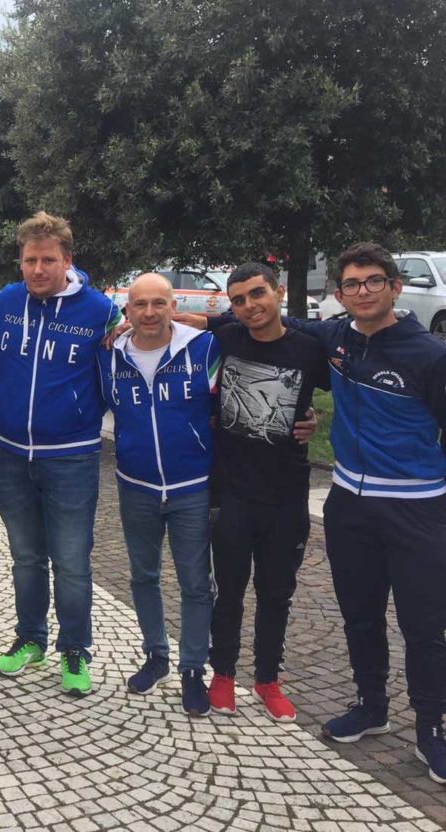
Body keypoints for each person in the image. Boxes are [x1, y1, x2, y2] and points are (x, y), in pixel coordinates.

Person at [189, 242, 446, 784]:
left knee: (424, 624)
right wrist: (173, 317)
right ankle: (371, 706)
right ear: (340, 294)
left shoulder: (429, 354)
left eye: (372, 281)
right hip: (348, 501)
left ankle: (431, 729)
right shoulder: (336, 338)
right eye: (351, 284)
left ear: (395, 287)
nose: (361, 292)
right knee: (360, 613)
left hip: (417, 505)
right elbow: (243, 320)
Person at [0, 212, 120, 695]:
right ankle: (30, 639)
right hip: (11, 453)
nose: (38, 269)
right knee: (25, 556)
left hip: (72, 456)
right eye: (30, 260)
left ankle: (75, 649)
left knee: (72, 561)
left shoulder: (99, 311)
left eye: (48, 260)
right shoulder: (5, 301)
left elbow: (140, 342)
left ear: (67, 261)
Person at [205, 262, 328, 722]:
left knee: (276, 594)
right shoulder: (224, 340)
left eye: (257, 294)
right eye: (238, 300)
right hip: (233, 493)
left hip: (286, 495)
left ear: (278, 292)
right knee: (228, 592)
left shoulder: (309, 350)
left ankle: (267, 680)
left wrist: (315, 418)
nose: (249, 306)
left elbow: (343, 394)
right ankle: (222, 675)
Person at [99, 272, 219, 716]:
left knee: (195, 582)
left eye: (158, 303)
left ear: (174, 307)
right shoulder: (110, 356)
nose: (149, 313)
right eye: (140, 304)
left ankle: (193, 668)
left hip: (192, 485)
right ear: (127, 311)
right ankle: (156, 655)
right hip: (136, 485)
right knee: (143, 575)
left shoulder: (204, 348)